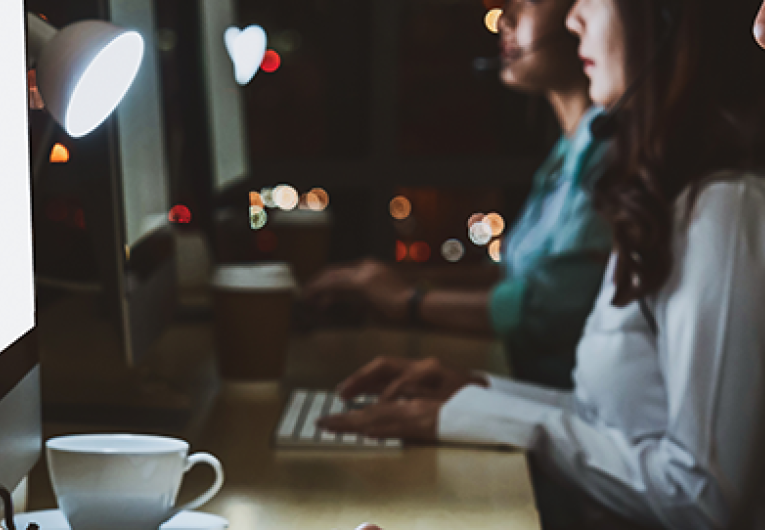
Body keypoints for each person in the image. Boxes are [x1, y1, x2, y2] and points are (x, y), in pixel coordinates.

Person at [321, 0, 765, 529]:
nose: (575, 19)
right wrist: (477, 392)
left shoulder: (722, 210)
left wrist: (486, 419)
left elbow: (704, 495)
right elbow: (617, 424)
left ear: (663, 20)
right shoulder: (663, 195)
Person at [304, 0, 613, 391]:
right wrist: (396, 279)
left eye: (528, 1)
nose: (504, 18)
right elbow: (516, 280)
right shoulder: (570, 150)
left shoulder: (610, 155)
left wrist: (407, 301)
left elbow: (547, 310)